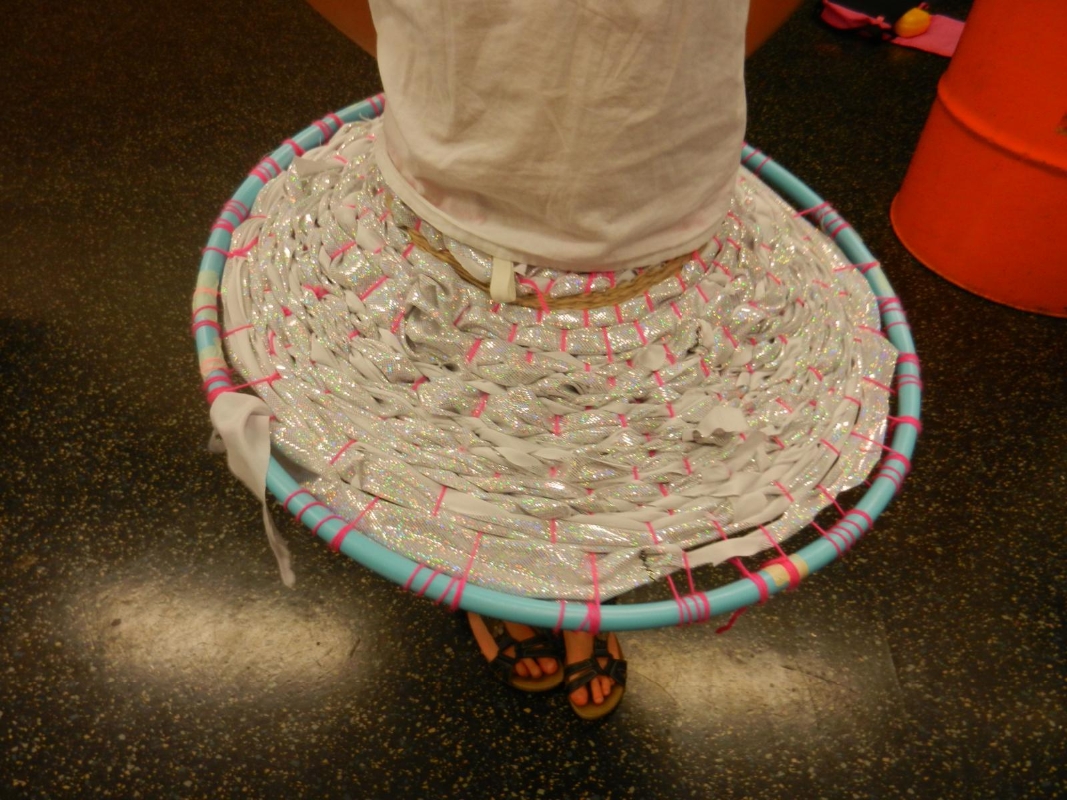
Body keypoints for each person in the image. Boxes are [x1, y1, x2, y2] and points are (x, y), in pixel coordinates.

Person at [231, 0, 850, 719]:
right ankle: (495, 570)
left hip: (662, 213)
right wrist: (441, 82)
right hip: (450, 213)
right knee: (458, 416)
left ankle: (576, 581)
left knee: (624, 437)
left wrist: (656, 88)